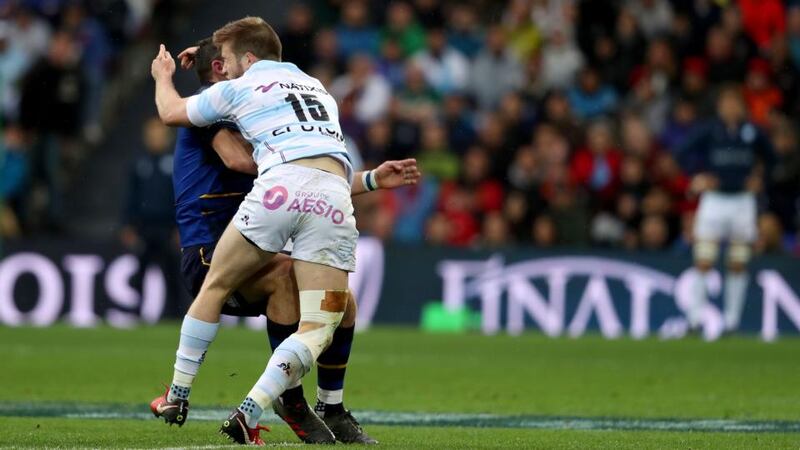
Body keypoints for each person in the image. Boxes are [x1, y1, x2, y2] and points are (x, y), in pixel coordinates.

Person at [148, 17, 417, 445]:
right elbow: (263, 162)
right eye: (221, 62)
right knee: (300, 298)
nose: (226, 66)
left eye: (228, 60)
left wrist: (369, 180)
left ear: (243, 60)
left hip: (277, 205)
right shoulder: (308, 88)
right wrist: (177, 71)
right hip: (217, 242)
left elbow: (296, 169)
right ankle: (279, 401)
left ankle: (327, 407)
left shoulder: (240, 93)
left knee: (341, 304)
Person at [678, 86, 775, 335]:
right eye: (726, 102)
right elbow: (682, 153)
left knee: (738, 262)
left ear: (742, 106)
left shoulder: (753, 131)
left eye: (735, 102)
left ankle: (731, 322)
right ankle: (694, 320)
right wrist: (698, 175)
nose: (731, 107)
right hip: (715, 200)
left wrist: (760, 177)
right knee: (703, 259)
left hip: (742, 201)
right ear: (719, 106)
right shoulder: (709, 130)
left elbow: (773, 159)